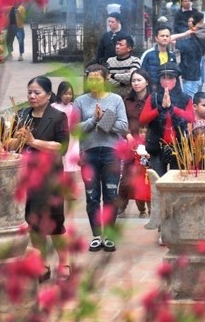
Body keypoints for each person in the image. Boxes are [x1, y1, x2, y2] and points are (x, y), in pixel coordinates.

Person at [11, 76, 70, 281]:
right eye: (29, 92)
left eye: (37, 93)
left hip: (50, 176)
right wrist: (18, 139)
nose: (32, 96)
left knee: (54, 222)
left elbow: (61, 147)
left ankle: (64, 263)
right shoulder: (22, 115)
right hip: (28, 175)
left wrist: (34, 142)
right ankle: (42, 263)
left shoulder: (58, 116)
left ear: (48, 95)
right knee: (33, 221)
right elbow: (8, 143)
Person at [74, 64, 129, 253]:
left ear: (105, 79)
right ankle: (97, 236)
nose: (94, 82)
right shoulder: (80, 101)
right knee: (92, 196)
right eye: (90, 78)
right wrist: (93, 120)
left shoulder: (116, 100)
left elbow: (123, 126)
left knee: (111, 195)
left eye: (98, 78)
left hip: (111, 152)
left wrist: (104, 118)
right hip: (88, 152)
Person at [140, 63, 195, 176]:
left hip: (179, 146)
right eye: (164, 78)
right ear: (159, 80)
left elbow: (191, 118)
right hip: (157, 147)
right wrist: (160, 109)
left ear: (176, 80)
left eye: (170, 78)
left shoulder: (185, 98)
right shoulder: (153, 97)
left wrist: (172, 108)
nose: (167, 81)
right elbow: (142, 120)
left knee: (177, 182)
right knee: (158, 181)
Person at [120, 69, 151, 217]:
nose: (136, 83)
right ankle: (121, 208)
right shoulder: (126, 101)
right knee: (126, 179)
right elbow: (120, 121)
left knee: (147, 178)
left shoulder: (153, 99)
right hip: (131, 145)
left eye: (139, 80)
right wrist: (126, 134)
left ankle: (148, 210)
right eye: (133, 80)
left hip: (149, 146)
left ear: (147, 82)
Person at [52, 81, 81, 201]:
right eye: (65, 93)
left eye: (70, 94)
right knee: (60, 165)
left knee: (71, 166)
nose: (68, 96)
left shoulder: (73, 107)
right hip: (60, 138)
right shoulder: (54, 107)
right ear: (59, 94)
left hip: (72, 140)